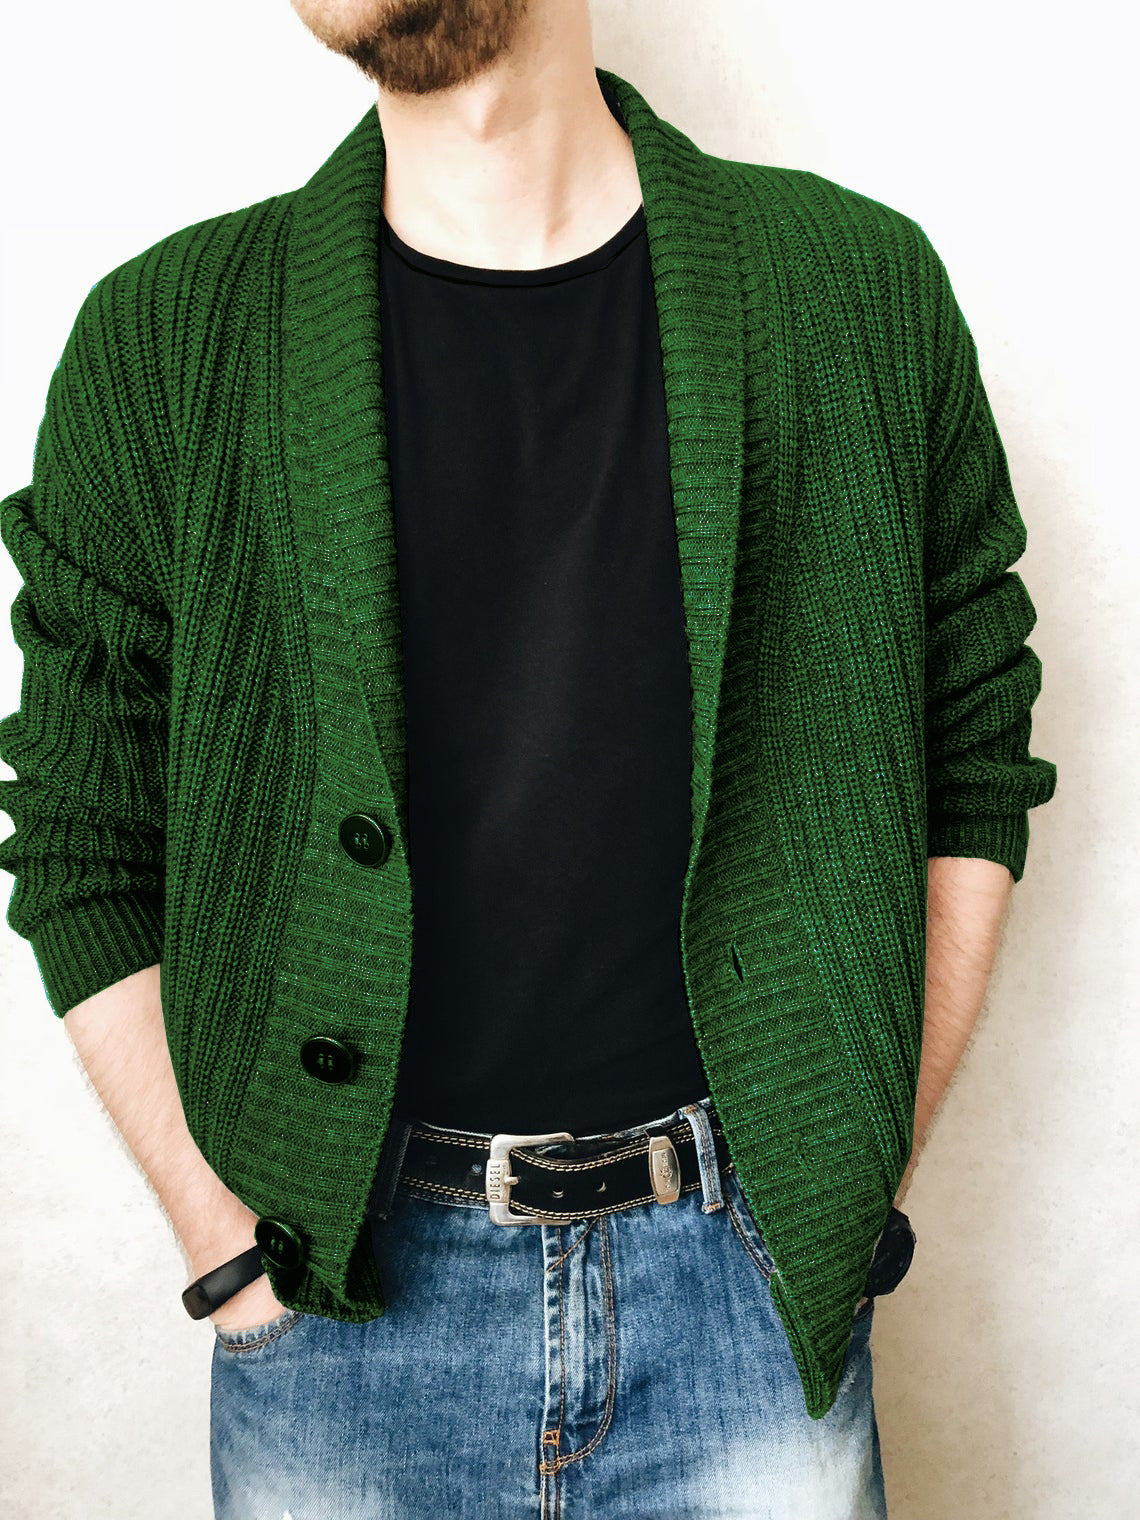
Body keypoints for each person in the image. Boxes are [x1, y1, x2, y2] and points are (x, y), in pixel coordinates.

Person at [0, 1, 1058, 1515]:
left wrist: (850, 1167)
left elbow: (972, 745)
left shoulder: (854, 294)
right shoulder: (163, 344)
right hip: (336, 1317)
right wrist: (226, 1246)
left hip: (749, 1306)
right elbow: (82, 833)